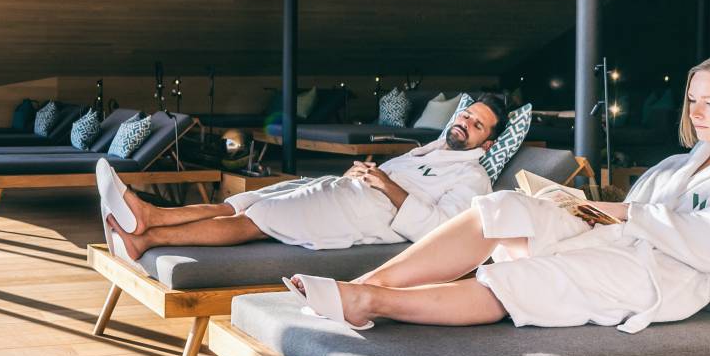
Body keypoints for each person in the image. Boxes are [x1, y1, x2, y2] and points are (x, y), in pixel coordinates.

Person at [286, 54, 710, 334]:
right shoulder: (678, 163)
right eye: (693, 100)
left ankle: (371, 301)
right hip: (616, 240)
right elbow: (638, 214)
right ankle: (365, 282)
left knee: (522, 278)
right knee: (502, 205)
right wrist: (579, 208)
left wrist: (628, 211)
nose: (695, 113)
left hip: (658, 276)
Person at [98, 94, 510, 261]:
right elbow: (394, 177)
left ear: (487, 144)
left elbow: (443, 231)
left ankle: (147, 238)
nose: (465, 124)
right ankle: (149, 215)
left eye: (477, 126)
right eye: (466, 115)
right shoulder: (433, 149)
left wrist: (387, 185)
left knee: (258, 220)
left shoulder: (474, 179)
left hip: (368, 217)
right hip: (351, 191)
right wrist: (367, 173)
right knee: (244, 201)